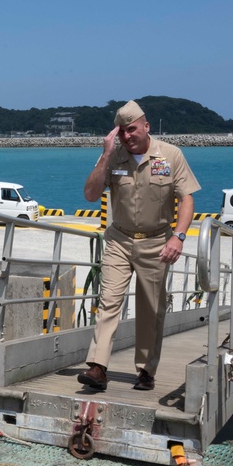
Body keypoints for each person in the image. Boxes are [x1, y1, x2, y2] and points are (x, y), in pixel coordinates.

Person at [77, 100, 200, 392]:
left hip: (157, 241)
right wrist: (106, 155)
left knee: (150, 308)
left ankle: (145, 370)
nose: (127, 136)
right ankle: (97, 367)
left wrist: (178, 237)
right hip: (119, 239)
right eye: (121, 132)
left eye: (131, 129)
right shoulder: (113, 156)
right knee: (109, 301)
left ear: (146, 126)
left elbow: (186, 198)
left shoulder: (171, 155)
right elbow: (91, 195)